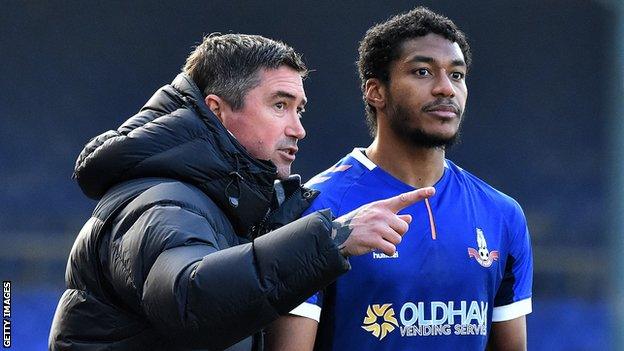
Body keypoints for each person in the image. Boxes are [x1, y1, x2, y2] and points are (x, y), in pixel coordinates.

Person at [48, 33, 435, 350]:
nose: (298, 129)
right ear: (217, 111)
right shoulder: (160, 202)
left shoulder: (227, 204)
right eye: (280, 105)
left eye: (299, 110)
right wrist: (331, 238)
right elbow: (190, 300)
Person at [268, 7, 533, 351]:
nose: (445, 89)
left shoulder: (502, 214)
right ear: (375, 91)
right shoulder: (315, 207)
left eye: (457, 75)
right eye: (422, 72)